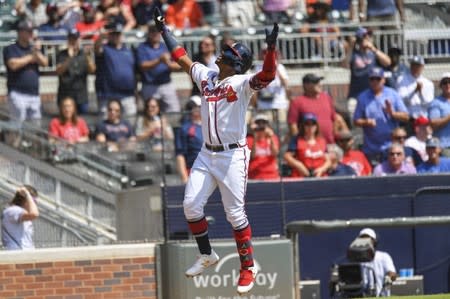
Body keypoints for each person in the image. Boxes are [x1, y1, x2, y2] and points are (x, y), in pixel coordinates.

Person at [153, 8, 279, 294]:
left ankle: (248, 266)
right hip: (207, 153)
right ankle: (207, 254)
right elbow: (181, 58)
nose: (221, 54)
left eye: (227, 52)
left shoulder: (240, 83)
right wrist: (164, 31)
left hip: (233, 154)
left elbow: (267, 75)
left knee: (235, 214)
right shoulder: (207, 77)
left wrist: (270, 49)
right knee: (190, 206)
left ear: (236, 62)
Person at [353, 67, 409, 166]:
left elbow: (406, 116)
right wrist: (366, 122)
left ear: (383, 80)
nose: (375, 82)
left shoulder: (392, 94)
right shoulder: (363, 97)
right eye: (372, 79)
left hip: (391, 148)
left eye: (378, 79)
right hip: (371, 149)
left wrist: (393, 113)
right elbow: (356, 120)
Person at [3, 20, 49, 123]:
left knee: (35, 126)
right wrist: (30, 57)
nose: (31, 34)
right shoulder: (11, 48)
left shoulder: (34, 49)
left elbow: (45, 63)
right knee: (18, 125)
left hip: (34, 94)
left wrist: (36, 51)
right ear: (20, 32)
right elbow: (13, 65)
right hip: (17, 93)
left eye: (31, 31)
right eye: (28, 31)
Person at [136, 22, 181, 113]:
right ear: (148, 33)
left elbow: (178, 66)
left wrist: (168, 63)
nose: (155, 33)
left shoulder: (166, 47)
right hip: (149, 85)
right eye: (152, 31)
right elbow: (142, 66)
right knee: (150, 113)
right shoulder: (142, 47)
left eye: (157, 31)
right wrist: (159, 60)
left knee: (174, 111)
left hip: (166, 84)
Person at [94, 22, 136, 118]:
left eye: (118, 34)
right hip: (107, 93)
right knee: (105, 121)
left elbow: (134, 72)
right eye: (113, 34)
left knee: (130, 120)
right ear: (109, 35)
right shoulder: (105, 49)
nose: (116, 37)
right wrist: (101, 37)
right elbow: (96, 49)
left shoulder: (128, 50)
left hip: (127, 93)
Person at [288, 73, 344, 144]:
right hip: (310, 145)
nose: (319, 84)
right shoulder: (297, 102)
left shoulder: (326, 97)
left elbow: (334, 118)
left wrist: (334, 135)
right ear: (306, 85)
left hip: (329, 143)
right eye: (316, 82)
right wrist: (299, 143)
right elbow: (293, 125)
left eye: (319, 82)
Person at [56, 28, 96, 115]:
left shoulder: (84, 54)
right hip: (65, 96)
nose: (73, 41)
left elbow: (92, 70)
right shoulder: (62, 54)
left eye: (75, 39)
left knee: (82, 121)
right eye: (71, 39)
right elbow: (59, 71)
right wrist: (69, 58)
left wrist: (88, 57)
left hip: (81, 97)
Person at [347, 27, 391, 101]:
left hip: (372, 95)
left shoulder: (374, 53)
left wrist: (373, 49)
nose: (368, 38)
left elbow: (388, 62)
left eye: (369, 36)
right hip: (356, 95)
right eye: (365, 36)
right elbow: (344, 64)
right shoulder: (354, 54)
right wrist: (351, 46)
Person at [284, 113, 331, 178]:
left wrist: (322, 169)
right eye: (307, 124)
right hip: (302, 175)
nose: (310, 127)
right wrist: (300, 166)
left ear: (316, 126)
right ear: (303, 126)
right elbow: (287, 156)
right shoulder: (297, 140)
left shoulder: (322, 141)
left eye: (313, 124)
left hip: (320, 175)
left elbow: (328, 160)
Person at [251, 48, 289, 122]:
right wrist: (255, 104)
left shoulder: (280, 67)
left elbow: (285, 84)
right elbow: (255, 86)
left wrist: (276, 68)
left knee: (282, 127)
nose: (266, 56)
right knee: (268, 126)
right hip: (264, 104)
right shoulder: (258, 67)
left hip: (279, 103)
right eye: (264, 53)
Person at [358, 228, 397, 297]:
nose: (366, 242)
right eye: (363, 239)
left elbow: (393, 274)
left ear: (374, 241)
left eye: (368, 239)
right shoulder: (356, 259)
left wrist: (389, 278)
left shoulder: (384, 256)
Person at [175, 97, 203, 184]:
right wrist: (184, 177)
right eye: (193, 107)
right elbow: (180, 154)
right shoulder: (184, 128)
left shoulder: (211, 126)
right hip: (194, 171)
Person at [2, 186, 39, 250]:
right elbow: (34, 214)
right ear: (25, 199)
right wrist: (27, 194)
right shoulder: (12, 210)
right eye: (33, 200)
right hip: (16, 252)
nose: (35, 203)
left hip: (25, 252)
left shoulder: (22, 212)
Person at [246, 114, 280, 180]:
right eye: (258, 123)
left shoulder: (273, 138)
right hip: (255, 176)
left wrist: (271, 137)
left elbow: (275, 153)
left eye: (264, 123)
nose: (261, 126)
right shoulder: (249, 139)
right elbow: (252, 156)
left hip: (272, 175)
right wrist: (255, 137)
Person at [428, 72, 450, 157]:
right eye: (445, 82)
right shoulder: (436, 103)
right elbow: (433, 124)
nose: (448, 84)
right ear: (441, 86)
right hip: (445, 146)